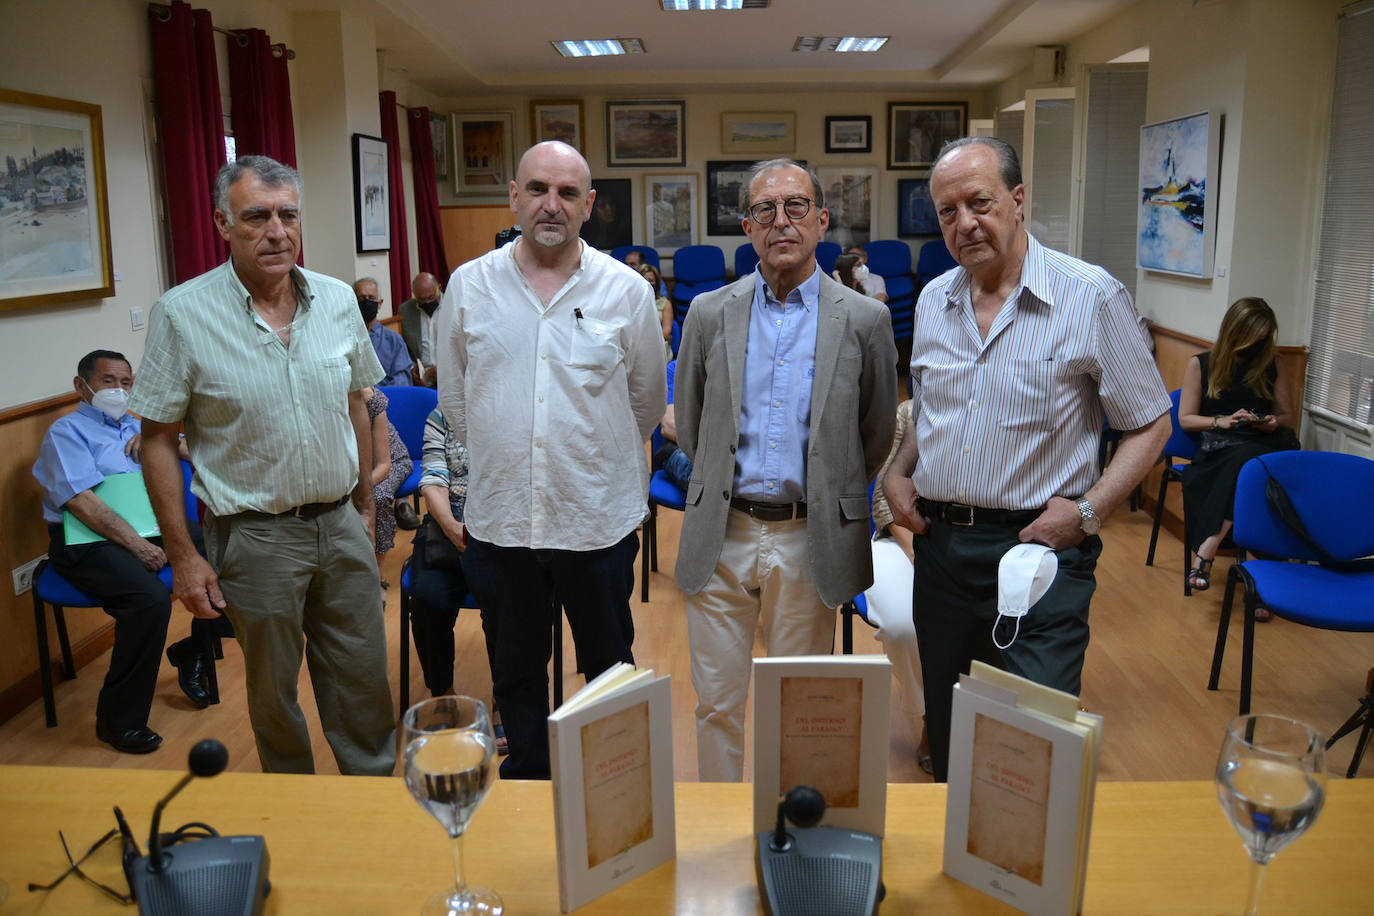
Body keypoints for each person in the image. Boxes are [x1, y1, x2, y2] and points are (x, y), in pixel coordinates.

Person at [882, 137, 1171, 783]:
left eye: (979, 203)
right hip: (941, 551)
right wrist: (900, 472)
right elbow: (930, 410)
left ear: (1017, 201)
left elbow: (1151, 424)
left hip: (1040, 552)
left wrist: (1091, 512)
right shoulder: (934, 301)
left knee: (1030, 746)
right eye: (948, 211)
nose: (965, 224)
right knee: (954, 738)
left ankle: (1023, 878)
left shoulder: (1090, 297)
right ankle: (961, 874)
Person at [130, 155, 396, 776]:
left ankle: (377, 808)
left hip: (339, 525)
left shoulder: (335, 300)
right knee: (274, 695)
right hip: (253, 538)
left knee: (363, 680)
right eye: (257, 217)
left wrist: (363, 504)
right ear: (223, 222)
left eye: (288, 215)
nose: (277, 232)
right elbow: (158, 439)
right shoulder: (182, 313)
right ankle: (292, 807)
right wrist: (183, 553)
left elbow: (358, 406)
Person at [434, 140, 666, 779]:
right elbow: (455, 397)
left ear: (589, 206)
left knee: (609, 668)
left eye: (568, 193)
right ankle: (529, 789)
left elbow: (645, 402)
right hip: (502, 518)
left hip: (595, 518)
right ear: (513, 196)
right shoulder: (469, 286)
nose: (551, 204)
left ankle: (610, 794)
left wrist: (588, 453)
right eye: (537, 188)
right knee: (515, 672)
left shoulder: (625, 291)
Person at [674, 158, 898, 781]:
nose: (782, 222)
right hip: (722, 533)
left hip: (810, 537)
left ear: (821, 220)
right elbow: (693, 425)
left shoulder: (863, 319)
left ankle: (787, 832)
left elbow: (874, 434)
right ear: (747, 226)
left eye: (796, 206)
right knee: (718, 704)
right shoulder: (709, 313)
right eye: (766, 210)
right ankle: (721, 831)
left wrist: (828, 488)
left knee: (798, 705)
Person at [32, 350, 216, 753]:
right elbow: (83, 504)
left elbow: (204, 460)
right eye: (108, 381)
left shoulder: (138, 425)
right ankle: (118, 721)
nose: (118, 390)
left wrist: (166, 442)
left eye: (126, 382)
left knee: (230, 553)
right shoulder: (66, 434)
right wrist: (138, 547)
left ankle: (192, 649)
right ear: (82, 386)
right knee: (149, 602)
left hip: (150, 527)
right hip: (87, 538)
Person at [1179, 297, 1299, 596]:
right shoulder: (1201, 364)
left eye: (1264, 338)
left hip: (1264, 440)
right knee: (1250, 469)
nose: (1259, 345)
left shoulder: (1274, 362)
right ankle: (1260, 576)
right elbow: (1186, 420)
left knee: (1257, 464)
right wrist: (1223, 420)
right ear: (1236, 333)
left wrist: (1271, 421)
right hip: (1221, 444)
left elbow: (1288, 418)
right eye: (1254, 338)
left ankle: (1209, 546)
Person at [866, 399, 931, 775]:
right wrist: (917, 557)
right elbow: (882, 500)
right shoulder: (908, 413)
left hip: (979, 544)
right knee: (905, 625)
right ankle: (929, 718)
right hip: (901, 539)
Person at [364, 386, 412, 587]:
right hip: (358, 469)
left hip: (394, 462)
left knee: (378, 496)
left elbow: (384, 466)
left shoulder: (371, 400)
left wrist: (358, 488)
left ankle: (379, 570)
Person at [354, 277, 413, 387]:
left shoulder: (394, 340)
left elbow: (402, 380)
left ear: (380, 303)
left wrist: (377, 396)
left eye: (371, 298)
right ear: (353, 302)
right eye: (361, 298)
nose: (367, 302)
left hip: (388, 399)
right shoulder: (346, 338)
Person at [398, 271, 442, 387]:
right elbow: (404, 347)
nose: (427, 302)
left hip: (449, 373)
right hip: (422, 378)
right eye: (421, 299)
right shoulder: (405, 310)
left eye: (431, 297)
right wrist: (413, 368)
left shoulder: (453, 305)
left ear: (438, 288)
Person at [640, 263, 675, 358]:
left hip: (658, 345)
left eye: (651, 280)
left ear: (657, 283)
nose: (647, 283)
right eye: (644, 279)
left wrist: (647, 341)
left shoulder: (665, 303)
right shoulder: (633, 302)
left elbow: (666, 332)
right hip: (638, 345)